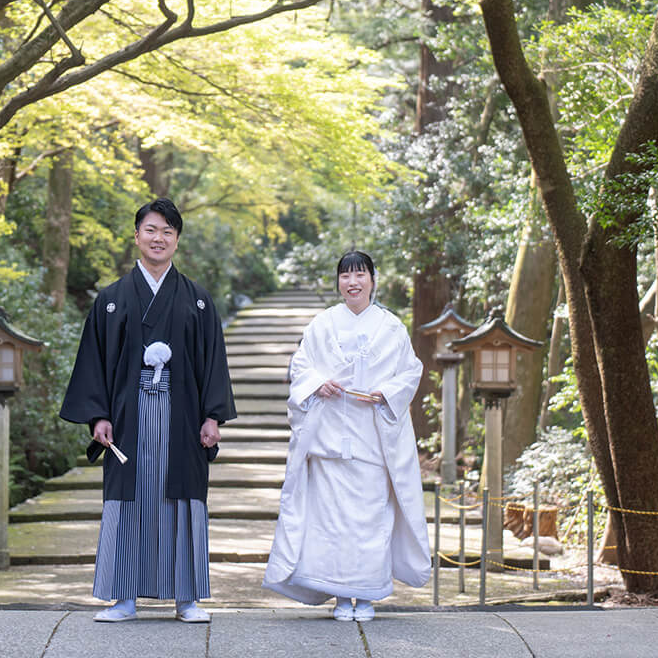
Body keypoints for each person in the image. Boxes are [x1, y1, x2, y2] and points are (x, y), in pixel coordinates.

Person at [60, 198, 236, 623]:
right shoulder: (112, 299)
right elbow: (94, 362)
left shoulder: (197, 300)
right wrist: (98, 415)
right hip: (128, 415)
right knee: (129, 499)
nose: (159, 238)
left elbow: (213, 361)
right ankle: (124, 597)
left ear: (177, 240)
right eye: (151, 230)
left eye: (168, 232)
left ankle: (187, 598)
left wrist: (212, 416)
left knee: (183, 498)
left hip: (183, 414)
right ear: (136, 235)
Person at [263, 250, 430, 621]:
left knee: (370, 519)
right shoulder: (321, 325)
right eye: (345, 276)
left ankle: (366, 595)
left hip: (372, 441)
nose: (352, 282)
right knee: (331, 523)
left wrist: (386, 393)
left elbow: (410, 372)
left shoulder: (391, 327)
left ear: (373, 280)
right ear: (338, 281)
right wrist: (317, 384)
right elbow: (301, 367)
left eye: (360, 275)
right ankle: (340, 595)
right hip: (328, 443)